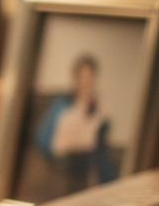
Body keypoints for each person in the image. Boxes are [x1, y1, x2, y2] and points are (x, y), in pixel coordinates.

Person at [33, 53, 116, 196]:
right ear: (75, 78)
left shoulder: (98, 109)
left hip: (85, 173)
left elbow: (101, 154)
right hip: (60, 169)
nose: (85, 82)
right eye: (82, 77)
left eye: (89, 77)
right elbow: (44, 140)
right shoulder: (61, 105)